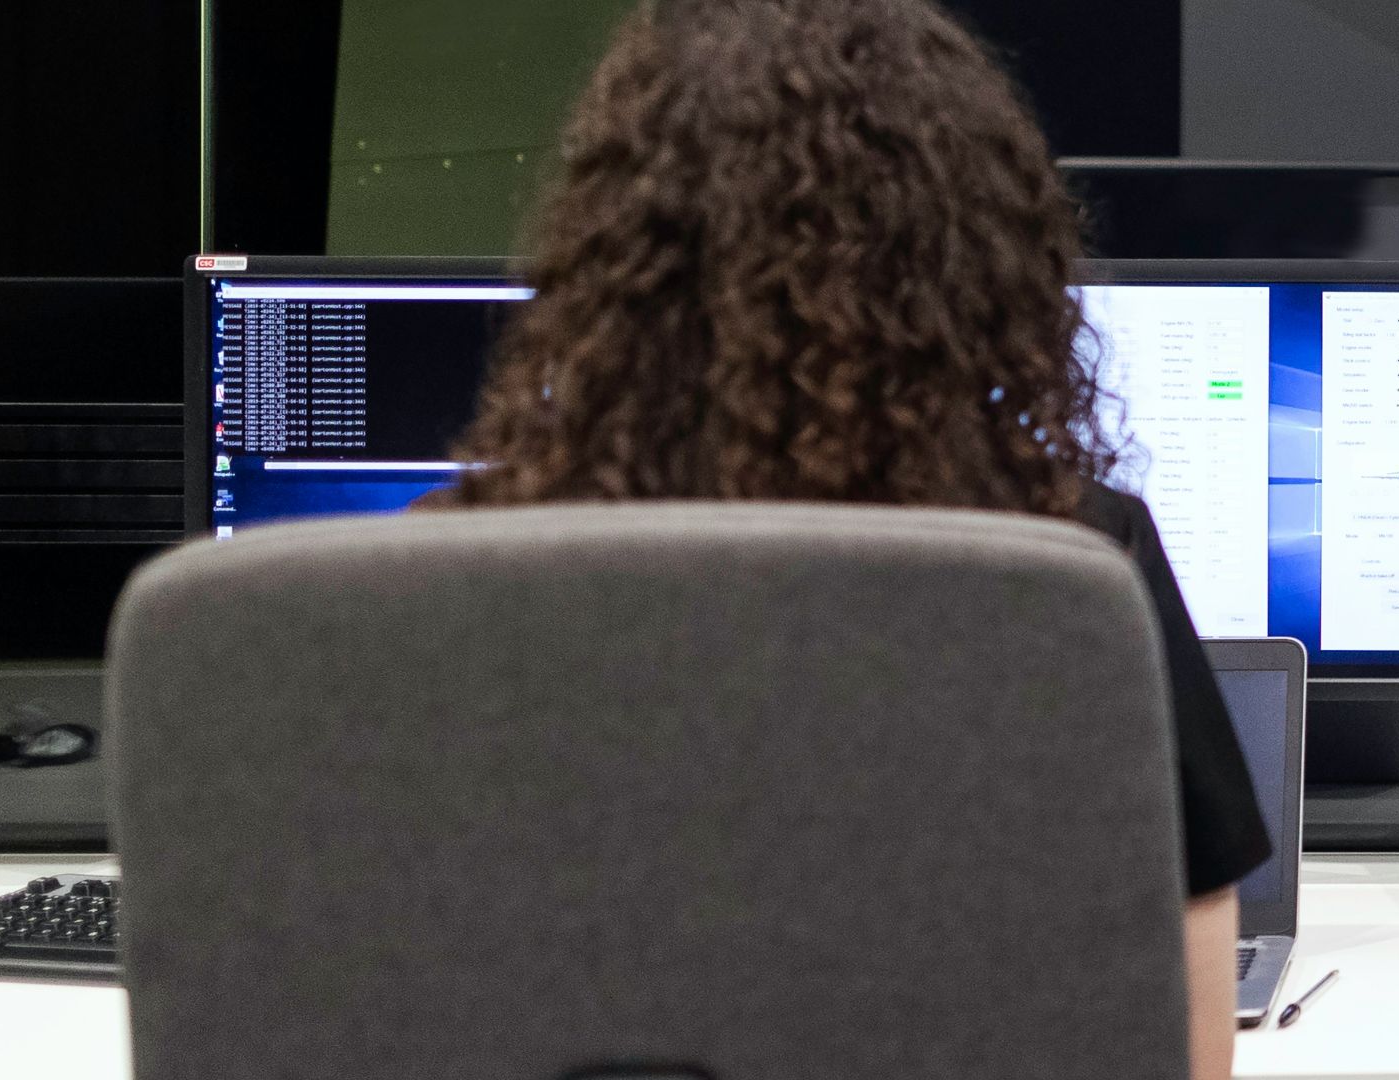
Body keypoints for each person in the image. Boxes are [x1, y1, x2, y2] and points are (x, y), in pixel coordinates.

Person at [421, 1, 1270, 1074]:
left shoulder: (431, 582)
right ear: (977, 263)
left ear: (609, 251)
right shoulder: (1070, 568)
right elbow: (1185, 1054)